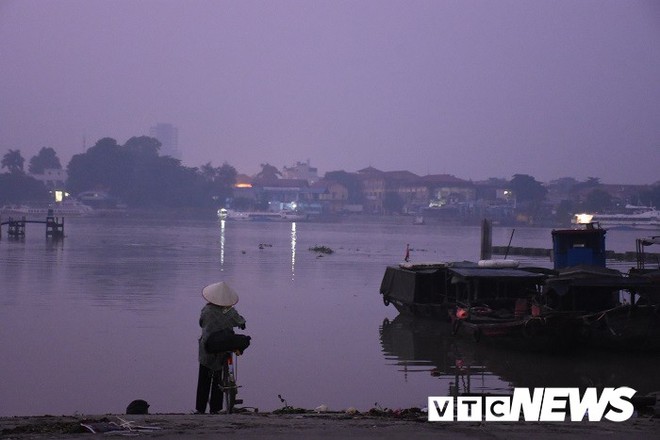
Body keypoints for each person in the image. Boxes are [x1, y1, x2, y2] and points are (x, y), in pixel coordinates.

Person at [195, 281, 246, 414]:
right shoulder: (229, 311)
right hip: (224, 346)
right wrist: (241, 323)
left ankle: (200, 409)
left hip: (207, 348)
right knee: (219, 377)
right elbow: (240, 321)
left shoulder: (207, 309)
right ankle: (215, 409)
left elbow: (201, 323)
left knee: (204, 379)